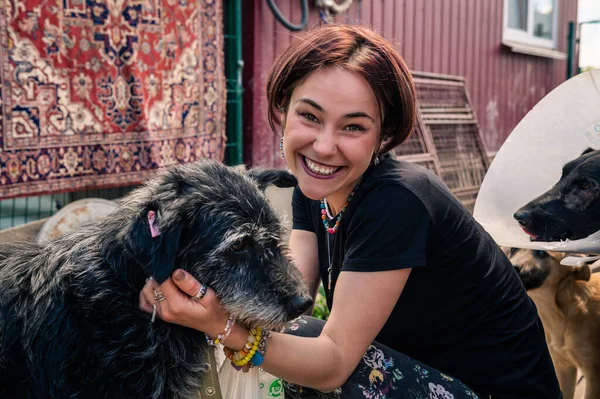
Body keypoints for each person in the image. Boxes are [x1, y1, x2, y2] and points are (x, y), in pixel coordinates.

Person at [139, 24, 562, 399]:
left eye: (353, 127)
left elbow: (334, 362)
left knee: (304, 361)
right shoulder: (317, 186)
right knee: (289, 339)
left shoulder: (397, 202)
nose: (324, 146)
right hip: (426, 372)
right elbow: (292, 295)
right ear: (283, 109)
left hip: (486, 391)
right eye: (309, 116)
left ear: (384, 135)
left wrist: (220, 327)